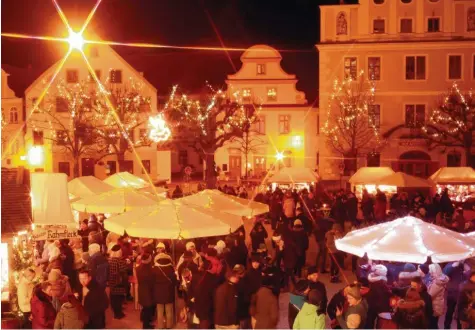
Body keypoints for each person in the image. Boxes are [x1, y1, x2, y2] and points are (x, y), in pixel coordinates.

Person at [194, 249, 222, 329]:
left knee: (204, 324)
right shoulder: (218, 266)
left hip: (203, 305)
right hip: (211, 306)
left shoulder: (206, 267)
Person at [154, 252, 178, 329]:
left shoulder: (155, 269)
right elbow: (175, 281)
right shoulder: (170, 269)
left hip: (158, 293)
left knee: (160, 311)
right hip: (169, 292)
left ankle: (160, 326)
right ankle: (169, 326)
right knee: (169, 310)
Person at [365, 265, 392, 329]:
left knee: (369, 321)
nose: (386, 273)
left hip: (371, 303)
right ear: (381, 273)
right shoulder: (381, 283)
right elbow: (383, 296)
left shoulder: (372, 278)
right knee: (378, 322)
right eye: (385, 272)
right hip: (378, 305)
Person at [443, 260, 469, 329]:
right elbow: (445, 273)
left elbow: (470, 276)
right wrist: (453, 266)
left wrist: (467, 270)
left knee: (460, 314)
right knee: (449, 312)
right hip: (452, 294)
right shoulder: (451, 263)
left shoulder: (466, 264)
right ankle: (446, 327)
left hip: (462, 295)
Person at [108, 244, 128, 319]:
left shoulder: (109, 260)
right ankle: (118, 314)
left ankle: (116, 312)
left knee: (113, 298)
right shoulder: (120, 261)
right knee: (118, 299)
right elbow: (124, 271)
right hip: (119, 282)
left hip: (112, 281)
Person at [135, 253, 155, 329]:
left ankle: (144, 321)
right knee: (148, 309)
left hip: (141, 290)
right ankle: (146, 326)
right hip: (149, 291)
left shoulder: (138, 268)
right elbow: (153, 281)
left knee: (145, 308)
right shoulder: (151, 270)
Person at [427, 263, 449, 329]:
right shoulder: (439, 280)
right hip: (437, 305)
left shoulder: (438, 283)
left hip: (435, 306)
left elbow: (430, 295)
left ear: (435, 271)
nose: (430, 273)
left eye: (431, 271)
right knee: (434, 323)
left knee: (432, 324)